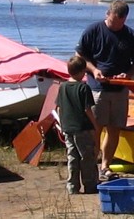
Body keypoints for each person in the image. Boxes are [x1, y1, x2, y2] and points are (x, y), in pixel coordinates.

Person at [75, 0, 134, 182]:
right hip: (98, 89)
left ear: (125, 19)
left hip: (120, 90)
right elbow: (80, 56)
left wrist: (128, 74)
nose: (116, 25)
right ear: (108, 14)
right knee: (95, 129)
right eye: (114, 21)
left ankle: (105, 166)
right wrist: (94, 70)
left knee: (114, 129)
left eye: (120, 22)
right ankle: (92, 166)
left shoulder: (130, 36)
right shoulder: (93, 31)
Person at [55, 55, 98, 194]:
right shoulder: (83, 88)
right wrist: (95, 125)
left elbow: (59, 108)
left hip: (68, 128)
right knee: (87, 157)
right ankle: (90, 184)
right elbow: (87, 109)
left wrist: (61, 124)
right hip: (82, 128)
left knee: (72, 157)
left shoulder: (63, 87)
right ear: (81, 72)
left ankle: (72, 186)